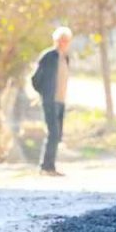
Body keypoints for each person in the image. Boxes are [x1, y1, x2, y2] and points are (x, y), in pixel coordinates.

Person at [30, 27, 72, 176]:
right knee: (53, 133)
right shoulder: (48, 56)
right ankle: (46, 167)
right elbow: (35, 79)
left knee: (58, 134)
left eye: (66, 41)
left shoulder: (65, 57)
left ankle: (50, 166)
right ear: (55, 40)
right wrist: (44, 93)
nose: (63, 43)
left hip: (61, 100)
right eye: (61, 40)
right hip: (50, 100)